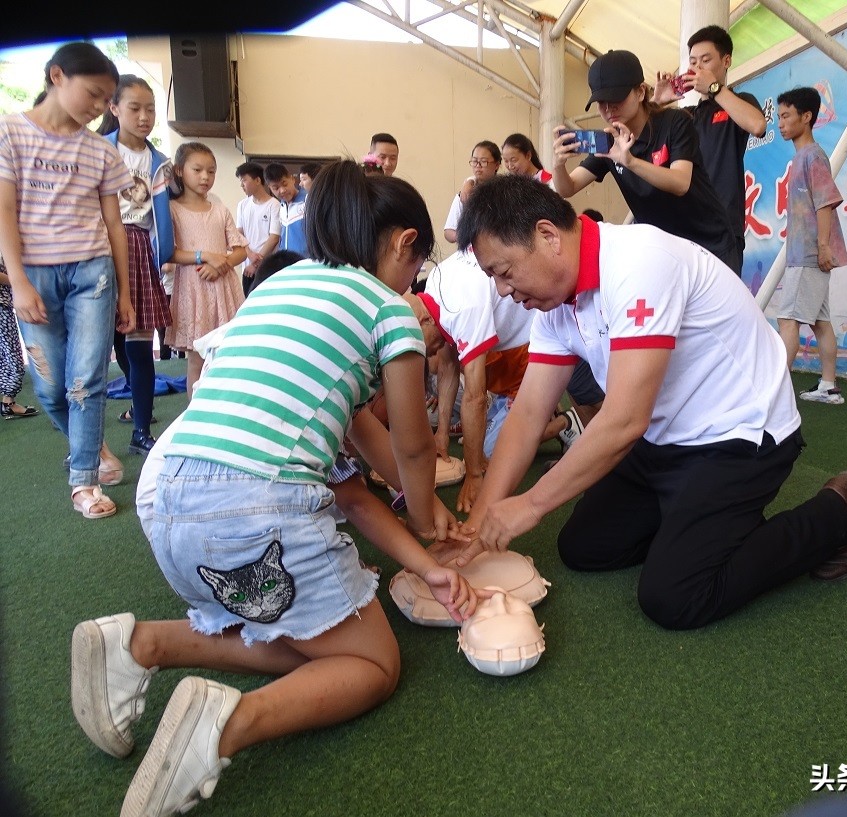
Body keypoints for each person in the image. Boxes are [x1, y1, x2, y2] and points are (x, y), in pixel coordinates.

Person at [71, 161, 480, 817]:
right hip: (250, 510)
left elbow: (351, 487)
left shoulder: (282, 290)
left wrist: (425, 563)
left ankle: (139, 644)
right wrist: (431, 514)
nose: (415, 281)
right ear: (406, 245)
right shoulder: (391, 311)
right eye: (418, 264)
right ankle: (223, 725)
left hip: (168, 495)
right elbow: (408, 445)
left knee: (305, 629)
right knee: (372, 663)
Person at [442, 174, 847, 631]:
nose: (504, 291)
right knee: (584, 549)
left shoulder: (639, 262)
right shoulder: (552, 304)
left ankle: (836, 514)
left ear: (547, 236)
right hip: (662, 438)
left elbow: (624, 419)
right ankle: (694, 520)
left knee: (675, 596)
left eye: (504, 273)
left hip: (739, 435)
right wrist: (477, 526)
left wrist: (529, 505)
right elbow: (527, 416)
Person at [0, 42, 134, 519]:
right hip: (33, 273)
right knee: (52, 388)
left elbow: (115, 225)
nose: (100, 108)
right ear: (57, 76)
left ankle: (84, 482)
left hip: (92, 273)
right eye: (94, 95)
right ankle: (92, 446)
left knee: (86, 383)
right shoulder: (10, 131)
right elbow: (5, 211)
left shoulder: (100, 150)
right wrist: (17, 281)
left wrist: (125, 293)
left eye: (106, 100)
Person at [403, 249, 583, 512]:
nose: (424, 354)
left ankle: (566, 422)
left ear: (425, 319)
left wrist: (474, 475)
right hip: (505, 370)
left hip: (531, 355)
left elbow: (475, 397)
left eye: (419, 345)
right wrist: (441, 434)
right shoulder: (434, 287)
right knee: (478, 441)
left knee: (494, 452)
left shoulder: (462, 306)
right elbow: (448, 365)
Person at [551, 49, 737, 268]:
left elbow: (680, 183)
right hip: (665, 253)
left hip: (710, 246)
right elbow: (567, 188)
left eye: (616, 98)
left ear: (640, 92)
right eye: (601, 102)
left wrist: (629, 161)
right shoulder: (609, 142)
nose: (609, 108)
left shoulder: (674, 122)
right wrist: (558, 164)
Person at [98, 75, 175, 455]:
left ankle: (141, 430)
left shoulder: (159, 162)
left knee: (141, 347)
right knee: (97, 347)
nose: (144, 116)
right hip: (97, 247)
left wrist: (165, 257)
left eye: (150, 109)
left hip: (140, 247)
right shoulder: (98, 151)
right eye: (134, 108)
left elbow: (161, 218)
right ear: (114, 108)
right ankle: (87, 443)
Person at [653, 25, 768, 274]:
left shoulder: (740, 101)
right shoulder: (687, 115)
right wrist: (656, 105)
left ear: (726, 61)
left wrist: (714, 88)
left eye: (706, 60)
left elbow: (757, 125)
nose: (698, 68)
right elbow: (640, 142)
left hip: (722, 229)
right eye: (693, 62)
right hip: (684, 228)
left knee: (722, 309)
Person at [774, 86, 847, 405]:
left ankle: (774, 393)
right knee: (820, 322)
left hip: (808, 255)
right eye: (778, 117)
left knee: (788, 319)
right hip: (806, 254)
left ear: (806, 118)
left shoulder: (813, 156)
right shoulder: (804, 157)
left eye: (786, 116)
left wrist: (822, 247)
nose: (780, 123)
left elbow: (825, 203)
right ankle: (829, 387)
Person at [163, 142, 248, 398]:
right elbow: (170, 252)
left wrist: (221, 266)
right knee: (196, 361)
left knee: (229, 355)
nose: (205, 177)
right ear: (179, 170)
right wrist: (205, 256)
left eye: (211, 171)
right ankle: (195, 414)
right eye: (198, 170)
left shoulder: (220, 210)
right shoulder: (172, 210)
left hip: (224, 289)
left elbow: (241, 249)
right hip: (193, 290)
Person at [234, 161, 281, 297]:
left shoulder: (274, 205)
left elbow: (274, 238)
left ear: (258, 180)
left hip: (267, 267)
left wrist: (255, 264)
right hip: (247, 268)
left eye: (244, 181)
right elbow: (239, 234)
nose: (241, 185)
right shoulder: (242, 205)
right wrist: (249, 254)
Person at [0, 260, 38, 419]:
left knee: (10, 355)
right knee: (12, 356)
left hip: (4, 303)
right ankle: (8, 402)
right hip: (2, 305)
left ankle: (8, 402)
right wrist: (21, 283)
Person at [444, 141, 501, 244]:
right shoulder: (466, 193)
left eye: (483, 161)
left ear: (497, 165)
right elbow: (448, 231)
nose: (478, 166)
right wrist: (466, 236)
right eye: (474, 161)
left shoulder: (505, 192)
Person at [265, 162, 307, 255]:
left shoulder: (308, 201)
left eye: (285, 184)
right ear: (270, 188)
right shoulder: (282, 207)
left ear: (292, 179)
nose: (282, 190)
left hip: (306, 263)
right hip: (287, 264)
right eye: (276, 188)